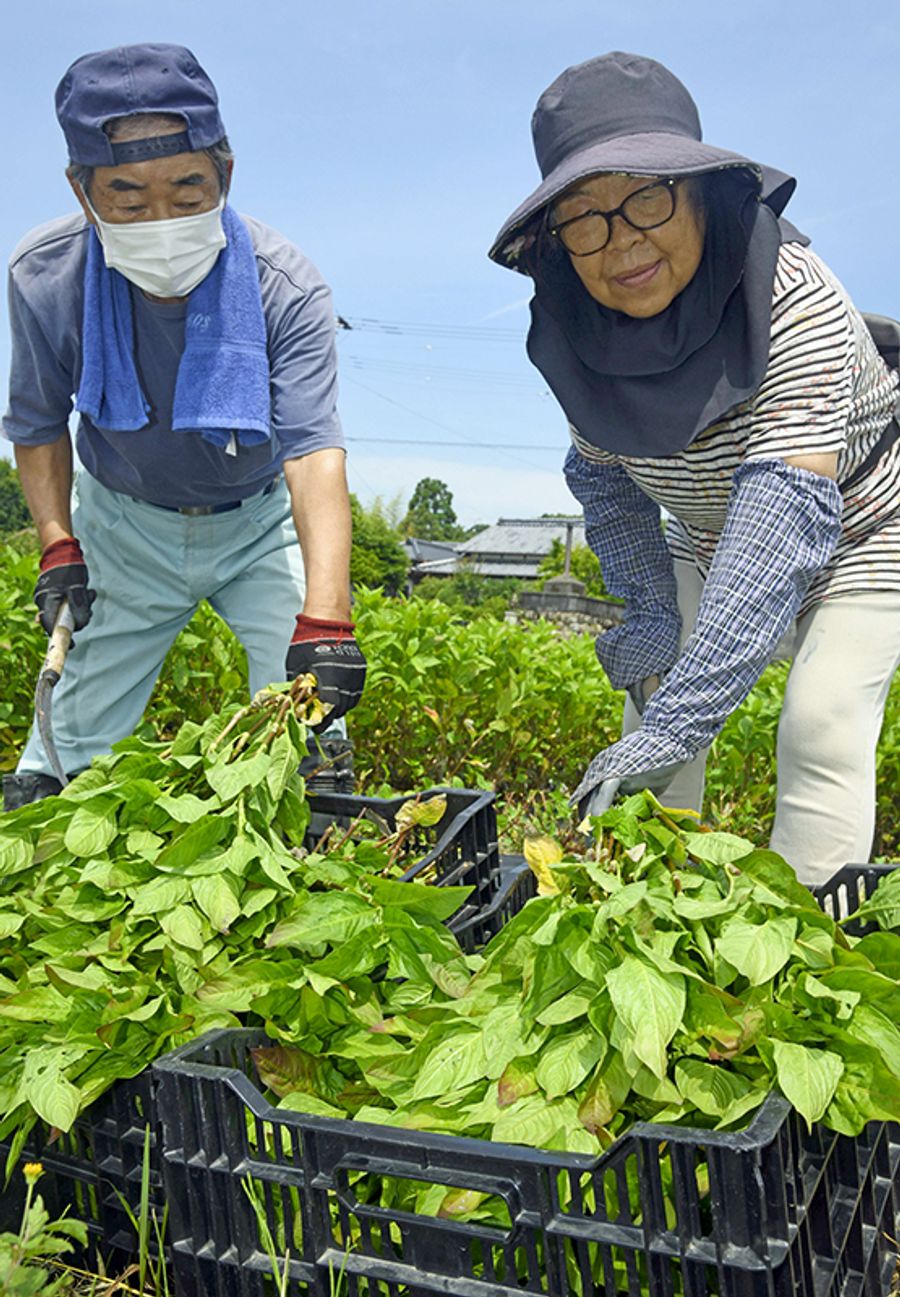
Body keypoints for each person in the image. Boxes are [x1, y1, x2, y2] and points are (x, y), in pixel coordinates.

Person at [489, 51, 900, 884]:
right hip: (710, 531)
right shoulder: (576, 329)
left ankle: (799, 947)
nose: (621, 242)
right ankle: (648, 905)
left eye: (648, 196)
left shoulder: (794, 298)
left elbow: (780, 520)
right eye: (584, 218)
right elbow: (606, 482)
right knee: (655, 687)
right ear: (559, 241)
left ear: (705, 196)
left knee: (819, 723)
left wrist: (680, 720)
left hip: (861, 526)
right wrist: (649, 622)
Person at [2, 43, 366, 809]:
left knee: (308, 729)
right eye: (129, 201)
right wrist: (58, 545)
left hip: (260, 522)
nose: (161, 221)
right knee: (62, 758)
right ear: (83, 190)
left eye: (188, 190)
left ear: (225, 174)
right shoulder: (47, 277)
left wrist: (327, 616)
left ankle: (320, 822)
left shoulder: (286, 287)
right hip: (124, 524)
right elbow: (38, 424)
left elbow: (313, 454)